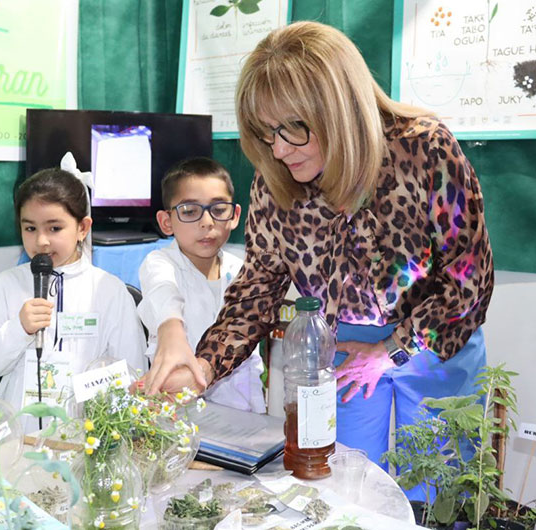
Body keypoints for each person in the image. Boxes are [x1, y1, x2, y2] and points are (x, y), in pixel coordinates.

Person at [143, 21, 494, 488]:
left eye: (294, 129)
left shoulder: (423, 148)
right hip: (340, 344)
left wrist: (392, 349)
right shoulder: (274, 178)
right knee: (341, 482)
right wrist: (203, 366)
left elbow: (469, 279)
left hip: (435, 337)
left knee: (439, 487)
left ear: (339, 110)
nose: (280, 149)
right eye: (267, 133)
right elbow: (256, 289)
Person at [0, 168, 147, 431]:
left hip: (86, 432)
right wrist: (19, 328)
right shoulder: (7, 284)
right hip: (18, 430)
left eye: (54, 228)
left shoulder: (109, 290)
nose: (41, 241)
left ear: (82, 228)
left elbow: (132, 370)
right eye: (30, 228)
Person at [138, 157, 266, 412]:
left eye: (218, 209)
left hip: (246, 416)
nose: (207, 222)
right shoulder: (160, 263)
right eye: (189, 211)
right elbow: (163, 292)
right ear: (166, 222)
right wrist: (171, 330)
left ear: (234, 216)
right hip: (180, 416)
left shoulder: (242, 270)